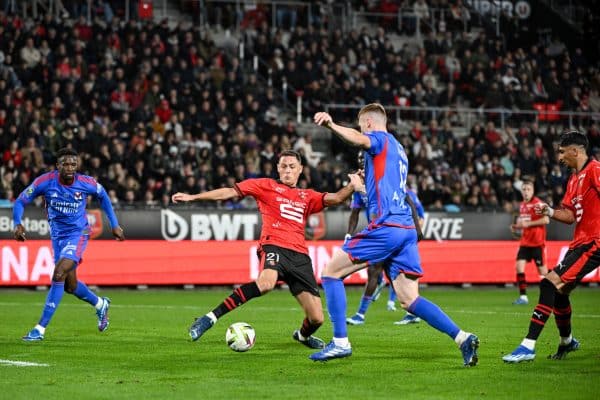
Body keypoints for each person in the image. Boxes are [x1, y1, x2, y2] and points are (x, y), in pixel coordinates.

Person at [309, 103, 479, 366]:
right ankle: (462, 337)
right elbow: (386, 189)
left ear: (367, 123)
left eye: (360, 125)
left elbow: (358, 139)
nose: (360, 130)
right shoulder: (399, 150)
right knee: (410, 299)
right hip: (405, 229)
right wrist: (362, 185)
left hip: (387, 227)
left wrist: (331, 124)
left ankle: (340, 342)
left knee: (331, 273)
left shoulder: (377, 139)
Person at [171, 150, 364, 349]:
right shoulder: (265, 185)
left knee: (316, 319)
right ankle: (209, 318)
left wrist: (353, 184)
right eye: (283, 166)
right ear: (277, 169)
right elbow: (229, 192)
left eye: (291, 167)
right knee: (266, 283)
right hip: (274, 244)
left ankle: (302, 337)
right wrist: (193, 197)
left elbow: (337, 198)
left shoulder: (307, 196)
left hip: (300, 256)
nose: (287, 170)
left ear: (300, 170)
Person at [503, 131, 600, 363]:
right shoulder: (573, 179)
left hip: (594, 242)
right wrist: (549, 211)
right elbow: (568, 216)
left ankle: (528, 345)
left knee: (548, 281)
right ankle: (567, 342)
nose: (559, 157)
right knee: (561, 292)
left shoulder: (595, 170)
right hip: (580, 242)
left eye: (562, 151)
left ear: (575, 151)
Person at [13, 148, 125, 341]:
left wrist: (114, 224)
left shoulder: (85, 182)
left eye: (74, 164)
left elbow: (103, 196)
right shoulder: (45, 182)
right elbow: (20, 201)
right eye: (66, 164)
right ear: (58, 166)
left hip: (78, 234)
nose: (70, 168)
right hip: (58, 237)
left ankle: (40, 329)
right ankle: (100, 304)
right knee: (70, 286)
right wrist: (17, 223)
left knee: (58, 273)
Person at [345, 151, 424, 326]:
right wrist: (349, 235)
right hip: (380, 231)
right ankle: (411, 312)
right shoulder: (359, 184)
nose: (361, 161)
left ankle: (360, 314)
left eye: (363, 158)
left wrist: (417, 227)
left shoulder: (385, 176)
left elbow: (408, 201)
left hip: (393, 230)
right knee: (388, 272)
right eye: (359, 159)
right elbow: (354, 213)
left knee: (378, 271)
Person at [509, 180, 549, 305]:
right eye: (524, 189)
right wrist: (516, 226)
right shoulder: (522, 205)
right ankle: (523, 297)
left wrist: (529, 224)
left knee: (543, 273)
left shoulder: (538, 204)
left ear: (533, 191)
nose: (526, 192)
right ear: (521, 191)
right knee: (519, 267)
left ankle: (550, 295)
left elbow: (546, 219)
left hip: (537, 243)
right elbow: (524, 223)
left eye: (528, 189)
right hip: (525, 243)